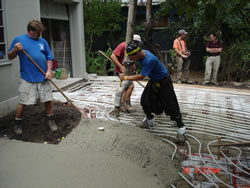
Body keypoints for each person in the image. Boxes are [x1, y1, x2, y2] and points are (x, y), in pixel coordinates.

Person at [119, 41, 187, 140]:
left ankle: (182, 128)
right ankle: (149, 120)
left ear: (137, 53)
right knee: (144, 100)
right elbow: (135, 63)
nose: (130, 59)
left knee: (170, 104)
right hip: (154, 80)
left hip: (164, 81)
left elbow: (142, 76)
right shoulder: (141, 54)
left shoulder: (149, 60)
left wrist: (125, 78)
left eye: (131, 57)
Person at [8, 20, 57, 135]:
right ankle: (18, 123)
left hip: (43, 77)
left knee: (48, 99)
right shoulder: (18, 40)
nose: (39, 35)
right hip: (27, 78)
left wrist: (49, 71)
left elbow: (49, 58)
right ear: (31, 31)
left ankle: (51, 120)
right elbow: (10, 56)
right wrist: (15, 49)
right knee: (23, 101)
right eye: (38, 33)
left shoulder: (42, 41)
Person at [111, 34, 142, 114]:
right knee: (127, 86)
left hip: (128, 71)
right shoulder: (122, 46)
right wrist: (120, 67)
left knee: (129, 86)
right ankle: (122, 104)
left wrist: (133, 65)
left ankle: (125, 103)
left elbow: (130, 57)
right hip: (122, 71)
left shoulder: (131, 48)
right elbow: (113, 56)